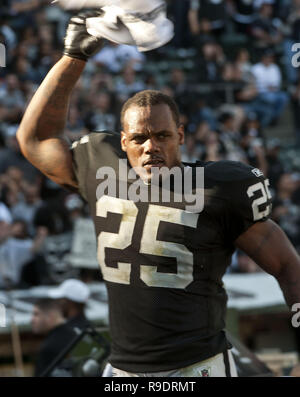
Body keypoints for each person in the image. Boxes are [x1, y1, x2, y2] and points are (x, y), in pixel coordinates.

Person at [17, 12, 300, 377]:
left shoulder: (220, 188)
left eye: (162, 136)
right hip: (123, 372)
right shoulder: (101, 167)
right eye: (138, 139)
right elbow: (34, 139)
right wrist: (73, 56)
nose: (151, 147)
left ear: (180, 136)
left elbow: (287, 266)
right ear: (123, 142)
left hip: (199, 367)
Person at [31, 298, 76, 377]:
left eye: (36, 314)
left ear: (50, 316)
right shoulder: (76, 335)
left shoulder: (48, 348)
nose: (31, 320)